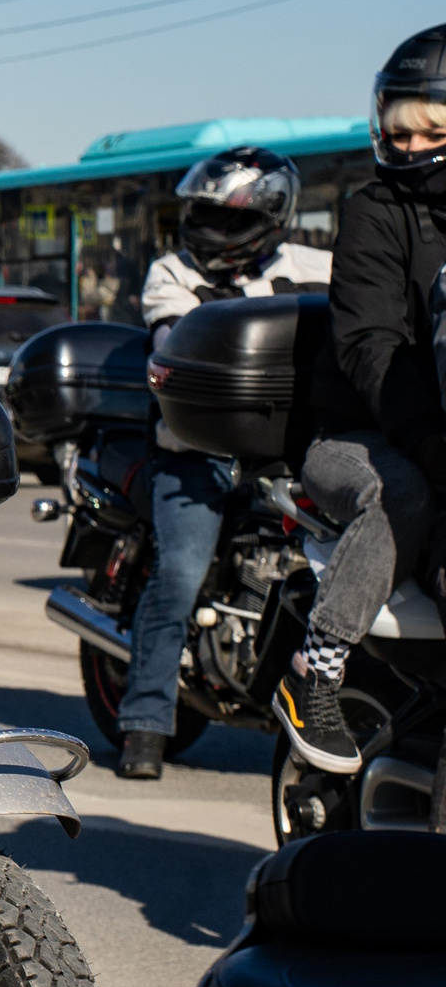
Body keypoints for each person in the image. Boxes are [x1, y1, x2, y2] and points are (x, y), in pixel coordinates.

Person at [111, 148, 324, 780]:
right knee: (179, 572)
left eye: (228, 219)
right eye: (203, 214)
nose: (211, 230)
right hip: (195, 456)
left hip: (286, 455)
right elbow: (170, 343)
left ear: (271, 218)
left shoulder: (314, 269)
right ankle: (145, 724)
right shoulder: (169, 273)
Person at [295, 25, 446, 777]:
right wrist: (434, 443)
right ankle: (316, 668)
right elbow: (370, 347)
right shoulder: (375, 211)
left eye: (432, 129)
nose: (409, 143)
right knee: (404, 491)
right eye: (397, 125)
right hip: (363, 432)